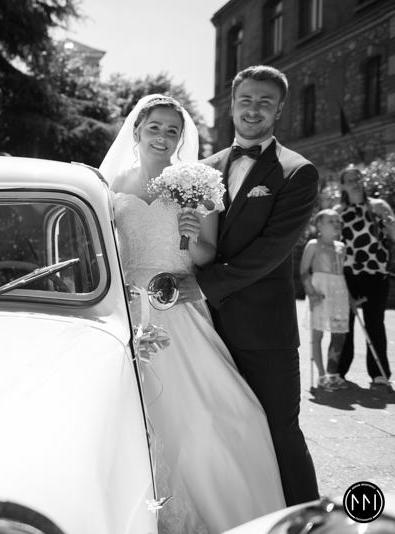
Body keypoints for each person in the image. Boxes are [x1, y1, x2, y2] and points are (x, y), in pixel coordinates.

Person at [100, 94, 285, 534]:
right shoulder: (108, 185)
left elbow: (206, 256)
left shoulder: (196, 182)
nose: (162, 136)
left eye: (172, 130)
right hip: (127, 308)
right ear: (137, 129)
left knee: (221, 414)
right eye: (155, 127)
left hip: (179, 303)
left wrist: (193, 235)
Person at [177, 65, 320, 506]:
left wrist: (204, 285)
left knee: (280, 431)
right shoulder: (203, 170)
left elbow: (272, 251)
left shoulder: (297, 172)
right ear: (232, 105)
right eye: (246, 100)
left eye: (264, 101)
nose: (253, 109)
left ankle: (307, 520)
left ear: (279, 110)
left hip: (264, 333)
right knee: (222, 430)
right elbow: (192, 242)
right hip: (204, 329)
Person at [334, 166, 394, 385]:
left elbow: (393, 235)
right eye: (350, 180)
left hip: (375, 273)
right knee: (344, 325)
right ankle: (338, 371)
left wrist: (391, 227)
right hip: (346, 275)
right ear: (342, 186)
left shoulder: (378, 206)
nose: (355, 183)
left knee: (375, 323)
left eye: (358, 179)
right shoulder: (338, 212)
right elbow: (331, 244)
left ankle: (379, 373)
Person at [300, 209, 352, 390]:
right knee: (318, 334)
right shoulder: (313, 244)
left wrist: (349, 297)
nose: (337, 224)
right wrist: (311, 292)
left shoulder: (341, 247)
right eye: (331, 221)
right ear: (319, 225)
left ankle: (332, 373)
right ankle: (321, 375)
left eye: (338, 221)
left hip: (339, 291)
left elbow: (341, 274)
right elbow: (303, 271)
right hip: (320, 290)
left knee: (340, 334)